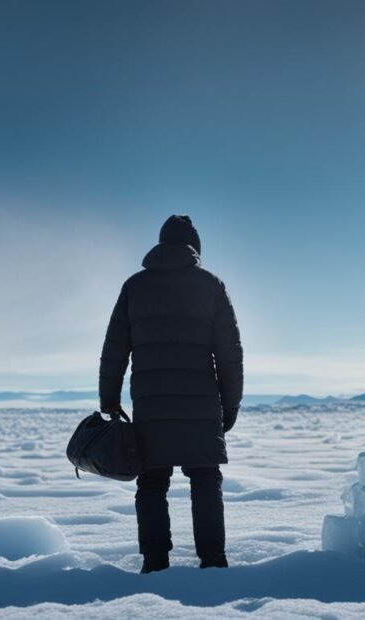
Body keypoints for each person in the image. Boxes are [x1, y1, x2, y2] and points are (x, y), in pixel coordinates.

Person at [98, 214, 244, 574]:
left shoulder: (135, 286)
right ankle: (212, 560)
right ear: (195, 248)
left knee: (152, 481)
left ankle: (155, 561)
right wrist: (231, 403)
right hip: (202, 404)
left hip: (151, 405)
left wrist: (109, 397)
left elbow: (115, 347)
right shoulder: (211, 286)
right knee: (206, 479)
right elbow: (230, 353)